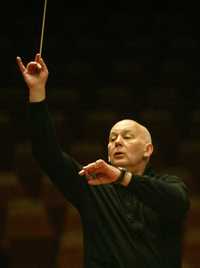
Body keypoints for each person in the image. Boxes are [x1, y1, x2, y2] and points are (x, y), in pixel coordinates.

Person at [16, 53, 190, 268]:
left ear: (148, 150)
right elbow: (46, 153)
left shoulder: (168, 185)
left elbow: (178, 202)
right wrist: (37, 91)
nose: (117, 142)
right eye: (112, 139)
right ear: (108, 152)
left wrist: (121, 177)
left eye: (127, 137)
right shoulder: (92, 186)